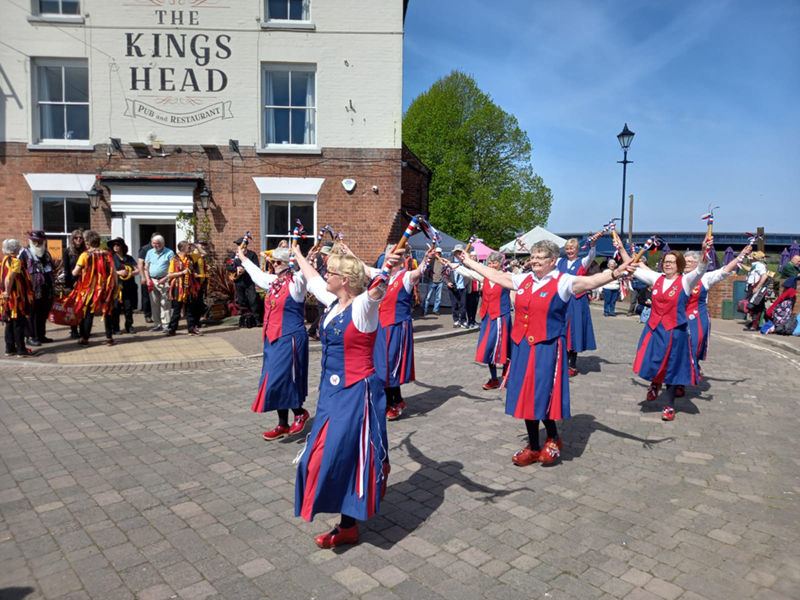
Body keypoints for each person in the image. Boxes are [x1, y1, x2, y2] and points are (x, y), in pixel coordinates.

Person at [460, 240, 634, 466]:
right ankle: (535, 445)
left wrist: (616, 272)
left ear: (553, 260)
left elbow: (590, 281)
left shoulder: (563, 281)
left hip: (548, 348)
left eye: (540, 257)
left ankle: (551, 438)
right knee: (525, 394)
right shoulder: (523, 279)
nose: (534, 260)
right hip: (522, 347)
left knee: (542, 393)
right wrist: (468, 263)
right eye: (532, 256)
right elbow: (497, 277)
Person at [291, 241, 405, 549]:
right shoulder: (331, 302)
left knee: (345, 454)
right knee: (318, 457)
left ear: (345, 280)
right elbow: (312, 278)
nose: (325, 275)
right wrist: (299, 255)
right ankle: (348, 520)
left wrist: (389, 265)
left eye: (331, 272)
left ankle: (348, 525)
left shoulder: (363, 307)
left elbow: (378, 289)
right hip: (330, 392)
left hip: (357, 392)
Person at [632, 238, 712, 421]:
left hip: (676, 331)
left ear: (679, 265)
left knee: (673, 369)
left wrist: (704, 250)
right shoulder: (657, 278)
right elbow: (632, 266)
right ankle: (654, 383)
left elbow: (701, 268)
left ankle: (669, 405)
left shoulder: (686, 281)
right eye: (665, 262)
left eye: (671, 262)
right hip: (656, 329)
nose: (667, 265)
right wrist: (621, 248)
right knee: (654, 360)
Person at [237, 245, 310, 439]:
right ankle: (282, 423)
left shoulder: (297, 282)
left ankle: (300, 412)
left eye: (278, 262)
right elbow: (258, 275)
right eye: (274, 261)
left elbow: (305, 272)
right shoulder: (274, 282)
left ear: (288, 263)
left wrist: (303, 257)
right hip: (272, 338)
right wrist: (243, 258)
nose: (274, 264)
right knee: (272, 379)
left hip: (290, 336)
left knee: (284, 377)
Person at [373, 244, 426, 420]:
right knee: (381, 364)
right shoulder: (383, 276)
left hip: (396, 326)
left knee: (390, 364)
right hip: (381, 327)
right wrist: (347, 253)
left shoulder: (405, 276)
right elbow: (364, 269)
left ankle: (393, 402)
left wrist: (427, 259)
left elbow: (418, 273)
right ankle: (396, 399)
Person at [683, 247, 750, 382]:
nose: (687, 263)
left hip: (697, 317)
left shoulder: (705, 277)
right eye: (685, 261)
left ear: (698, 263)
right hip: (679, 316)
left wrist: (740, 256)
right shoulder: (675, 277)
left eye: (690, 261)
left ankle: (690, 372)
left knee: (693, 346)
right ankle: (678, 379)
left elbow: (724, 270)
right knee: (678, 348)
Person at [69, 230, 118, 347]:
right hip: (106, 287)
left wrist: (73, 271)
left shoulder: (85, 255)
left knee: (88, 313)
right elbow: (114, 272)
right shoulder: (107, 254)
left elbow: (75, 272)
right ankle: (109, 337)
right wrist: (115, 285)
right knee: (107, 311)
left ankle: (85, 338)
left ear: (87, 242)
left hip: (89, 289)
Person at [556, 237, 597, 376]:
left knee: (574, 330)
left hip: (577, 301)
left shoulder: (582, 262)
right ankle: (561, 358)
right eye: (567, 248)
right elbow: (545, 258)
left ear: (577, 250)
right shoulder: (560, 262)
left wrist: (592, 245)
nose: (569, 251)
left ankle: (572, 364)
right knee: (561, 328)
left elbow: (591, 256)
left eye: (572, 248)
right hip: (562, 300)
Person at [474, 251, 510, 390]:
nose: (491, 265)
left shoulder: (506, 277)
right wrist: (454, 264)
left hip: (500, 317)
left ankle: (506, 373)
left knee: (502, 348)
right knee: (488, 348)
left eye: (494, 262)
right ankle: (494, 378)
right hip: (487, 317)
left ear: (500, 264)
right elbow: (468, 272)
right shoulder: (485, 277)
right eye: (489, 263)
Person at [18, 230, 56, 347]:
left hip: (46, 289)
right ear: (31, 241)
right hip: (31, 289)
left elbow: (51, 268)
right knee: (32, 314)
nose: (38, 244)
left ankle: (40, 335)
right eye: (35, 241)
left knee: (43, 313)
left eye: (40, 241)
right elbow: (18, 271)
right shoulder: (24, 252)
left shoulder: (46, 253)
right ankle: (31, 337)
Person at [1, 239, 38, 357]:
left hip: (7, 298)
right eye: (18, 247)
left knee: (10, 323)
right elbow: (10, 277)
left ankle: (9, 348)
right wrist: (7, 291)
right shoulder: (15, 261)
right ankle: (21, 350)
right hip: (15, 297)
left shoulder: (4, 260)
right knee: (18, 323)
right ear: (15, 249)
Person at [160, 241, 201, 336]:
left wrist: (195, 245)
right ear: (182, 248)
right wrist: (182, 273)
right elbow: (170, 274)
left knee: (190, 309)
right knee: (177, 310)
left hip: (189, 287)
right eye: (188, 247)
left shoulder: (191, 257)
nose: (189, 249)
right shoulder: (174, 260)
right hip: (178, 288)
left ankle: (192, 328)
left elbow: (202, 253)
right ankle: (172, 329)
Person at [144, 235, 175, 332]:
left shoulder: (169, 253)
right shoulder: (149, 252)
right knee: (154, 303)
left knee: (165, 303)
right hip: (153, 280)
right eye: (154, 243)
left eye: (158, 243)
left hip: (164, 280)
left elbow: (173, 268)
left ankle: (166, 324)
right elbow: (146, 267)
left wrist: (166, 278)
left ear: (163, 243)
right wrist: (148, 279)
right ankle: (157, 324)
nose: (156, 245)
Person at [230, 237, 263, 327]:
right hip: (239, 281)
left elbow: (256, 266)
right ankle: (245, 319)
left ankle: (256, 319)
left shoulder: (252, 255)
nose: (238, 247)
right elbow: (228, 266)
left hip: (249, 281)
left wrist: (245, 269)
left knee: (253, 300)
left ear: (245, 245)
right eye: (237, 245)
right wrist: (236, 268)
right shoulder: (235, 255)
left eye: (239, 244)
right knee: (241, 301)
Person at [109, 238, 139, 334]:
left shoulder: (129, 258)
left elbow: (138, 269)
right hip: (116, 286)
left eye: (118, 245)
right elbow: (107, 271)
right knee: (116, 307)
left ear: (122, 246)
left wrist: (130, 273)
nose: (116, 247)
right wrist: (118, 272)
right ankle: (116, 328)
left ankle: (129, 326)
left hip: (129, 286)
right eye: (114, 245)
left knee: (128, 307)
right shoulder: (111, 258)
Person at [62, 230, 87, 338]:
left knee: (83, 306)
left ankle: (83, 329)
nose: (78, 240)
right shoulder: (67, 252)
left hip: (85, 282)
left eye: (80, 238)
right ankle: (73, 330)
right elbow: (66, 270)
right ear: (72, 239)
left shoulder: (86, 251)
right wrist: (67, 286)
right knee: (73, 307)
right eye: (76, 238)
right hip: (72, 282)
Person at [307, 242, 333, 340]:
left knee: (323, 314)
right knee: (322, 313)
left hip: (328, 292)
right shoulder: (322, 262)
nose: (323, 256)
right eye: (322, 254)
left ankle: (315, 331)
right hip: (321, 291)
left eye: (325, 254)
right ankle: (314, 331)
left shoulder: (331, 263)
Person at [741, 251, 768, 331]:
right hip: (753, 287)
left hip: (756, 287)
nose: (749, 257)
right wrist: (740, 264)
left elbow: (764, 276)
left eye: (751, 256)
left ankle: (755, 325)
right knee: (754, 306)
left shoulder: (760, 265)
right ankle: (754, 323)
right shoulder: (756, 265)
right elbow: (750, 269)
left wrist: (758, 287)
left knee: (756, 306)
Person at [447, 245, 468, 328]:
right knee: (454, 304)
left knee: (463, 305)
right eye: (457, 251)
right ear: (454, 252)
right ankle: (456, 320)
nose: (459, 253)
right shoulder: (449, 261)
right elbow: (443, 274)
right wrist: (447, 282)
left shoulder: (465, 262)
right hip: (453, 286)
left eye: (460, 251)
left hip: (463, 286)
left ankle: (463, 320)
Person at [190, 241, 210, 328]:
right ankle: (193, 323)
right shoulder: (193, 256)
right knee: (194, 304)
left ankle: (197, 322)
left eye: (204, 245)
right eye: (201, 244)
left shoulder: (201, 257)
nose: (203, 246)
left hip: (201, 283)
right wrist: (195, 246)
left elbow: (204, 253)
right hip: (194, 284)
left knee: (199, 303)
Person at [137, 235, 155, 323]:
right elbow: (140, 263)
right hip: (147, 276)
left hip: (159, 277)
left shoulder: (162, 249)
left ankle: (157, 315)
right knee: (147, 297)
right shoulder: (145, 249)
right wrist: (142, 276)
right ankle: (147, 315)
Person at [422, 246, 444, 316]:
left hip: (440, 281)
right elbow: (426, 269)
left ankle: (436, 310)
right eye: (436, 252)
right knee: (428, 297)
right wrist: (427, 278)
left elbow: (445, 271)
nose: (437, 254)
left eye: (439, 253)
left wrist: (443, 278)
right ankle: (424, 310)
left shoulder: (442, 261)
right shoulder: (431, 260)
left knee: (438, 298)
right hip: (432, 280)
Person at [464, 252, 482, 328]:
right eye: (471, 256)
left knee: (475, 306)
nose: (473, 257)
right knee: (469, 306)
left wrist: (481, 285)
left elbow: (482, 276)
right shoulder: (467, 266)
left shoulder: (479, 266)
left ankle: (474, 320)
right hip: (469, 288)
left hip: (476, 289)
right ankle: (469, 321)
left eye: (475, 256)